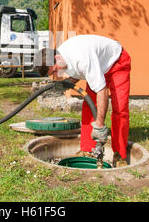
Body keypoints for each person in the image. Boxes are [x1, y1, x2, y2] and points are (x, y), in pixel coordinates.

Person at [35, 34, 131, 167]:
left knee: (120, 109)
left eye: (55, 71)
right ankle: (87, 150)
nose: (57, 75)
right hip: (98, 66)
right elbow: (77, 71)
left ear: (57, 58)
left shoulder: (83, 58)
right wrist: (67, 82)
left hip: (117, 63)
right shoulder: (63, 55)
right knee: (89, 106)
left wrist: (100, 125)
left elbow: (102, 90)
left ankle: (120, 154)